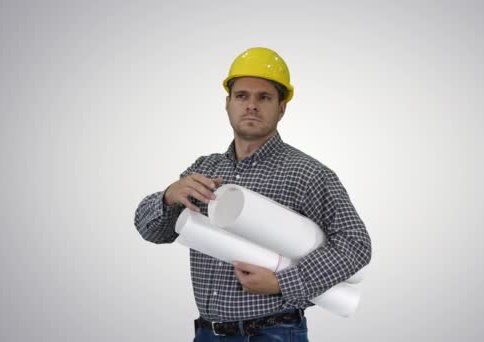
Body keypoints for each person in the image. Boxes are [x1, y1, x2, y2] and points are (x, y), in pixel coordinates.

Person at [134, 47, 372, 341]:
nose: (251, 106)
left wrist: (283, 282)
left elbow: (356, 245)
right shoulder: (204, 169)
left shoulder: (307, 173)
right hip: (207, 333)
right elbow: (153, 232)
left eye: (264, 97)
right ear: (228, 103)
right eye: (242, 96)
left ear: (281, 107)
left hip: (273, 333)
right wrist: (168, 196)